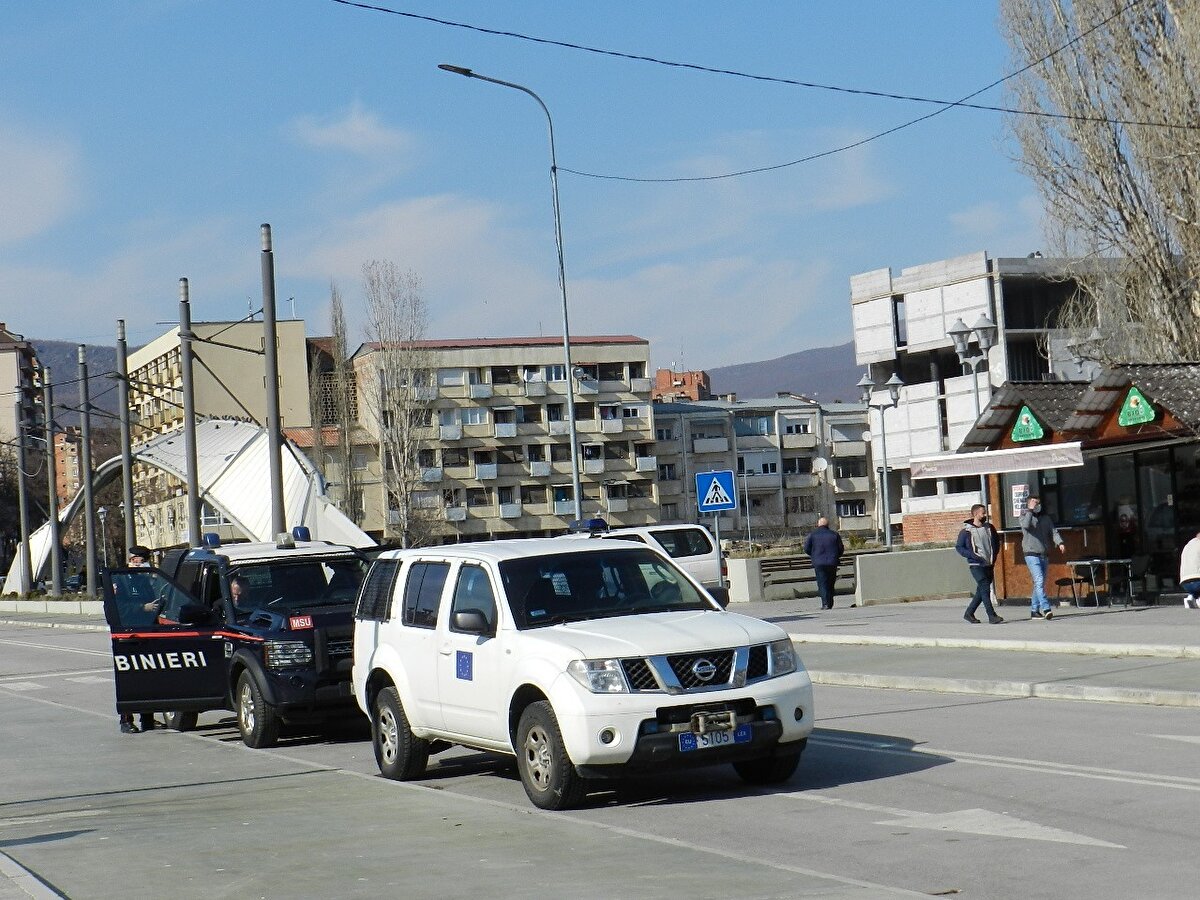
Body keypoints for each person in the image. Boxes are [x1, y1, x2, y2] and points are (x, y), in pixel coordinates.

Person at [118, 545, 159, 734]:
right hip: (128, 635)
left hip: (148, 632)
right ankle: (126, 719)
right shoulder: (121, 580)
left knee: (149, 676)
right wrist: (142, 608)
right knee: (129, 677)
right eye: (141, 560)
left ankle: (148, 717)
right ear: (133, 559)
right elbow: (118, 609)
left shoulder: (146, 580)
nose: (143, 563)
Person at [956, 504, 1004, 624]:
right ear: (976, 514)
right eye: (983, 513)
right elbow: (959, 547)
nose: (985, 515)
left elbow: (996, 543)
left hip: (989, 563)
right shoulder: (966, 531)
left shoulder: (989, 528)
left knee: (981, 591)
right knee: (985, 588)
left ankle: (969, 613)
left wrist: (995, 556)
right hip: (976, 565)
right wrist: (973, 556)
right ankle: (991, 616)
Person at [1020, 495, 1065, 620]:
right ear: (1029, 504)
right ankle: (1046, 608)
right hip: (1031, 554)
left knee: (1039, 584)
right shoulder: (1024, 517)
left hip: (1044, 554)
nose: (1037, 506)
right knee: (1039, 581)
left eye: (1038, 503)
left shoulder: (1046, 518)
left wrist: (1060, 542)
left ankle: (1034, 610)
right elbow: (1026, 526)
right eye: (1034, 503)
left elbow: (1053, 531)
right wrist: (1030, 510)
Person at [804, 516, 845, 610]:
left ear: (818, 524)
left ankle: (825, 603)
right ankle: (830, 602)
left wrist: (814, 555)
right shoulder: (834, 535)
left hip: (819, 563)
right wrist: (835, 556)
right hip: (832, 562)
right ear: (828, 525)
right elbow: (841, 549)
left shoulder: (812, 535)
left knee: (822, 583)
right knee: (831, 582)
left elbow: (806, 548)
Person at [1180, 531, 1200, 609]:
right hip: (1198, 580)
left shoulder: (1189, 544)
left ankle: (1191, 597)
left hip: (1185, 583)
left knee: (1195, 588)